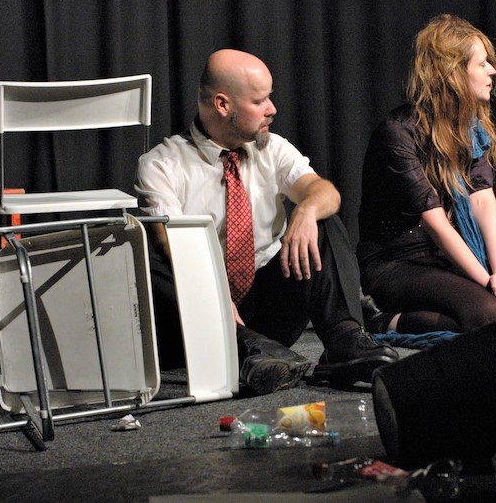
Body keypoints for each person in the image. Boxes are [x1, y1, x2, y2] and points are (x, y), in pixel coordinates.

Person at [135, 49, 397, 396]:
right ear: (223, 104)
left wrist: (305, 211)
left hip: (267, 306)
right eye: (259, 101)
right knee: (147, 255)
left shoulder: (272, 148)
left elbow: (325, 193)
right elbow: (169, 244)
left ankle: (344, 341)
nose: (272, 109)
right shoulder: (162, 164)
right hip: (201, 317)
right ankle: (247, 349)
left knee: (323, 222)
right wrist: (212, 293)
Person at [356, 14, 496, 336]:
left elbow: (482, 200)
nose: (493, 71)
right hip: (397, 262)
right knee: (494, 318)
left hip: (446, 255)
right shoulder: (398, 133)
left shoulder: (469, 127)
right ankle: (383, 320)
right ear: (454, 74)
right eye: (482, 64)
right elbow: (436, 224)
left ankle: (466, 315)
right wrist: (487, 283)